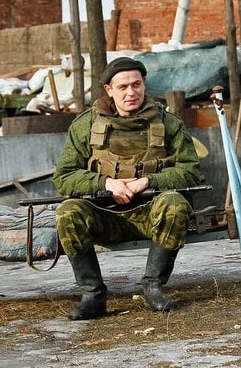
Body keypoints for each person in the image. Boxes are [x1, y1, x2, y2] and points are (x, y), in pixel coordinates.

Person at [52, 57, 203, 320]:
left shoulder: (169, 124)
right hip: (103, 214)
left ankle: (153, 286)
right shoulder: (86, 125)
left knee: (175, 204)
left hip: (151, 213)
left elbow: (190, 171)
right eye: (122, 87)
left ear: (144, 84)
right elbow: (64, 176)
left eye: (136, 84)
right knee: (68, 211)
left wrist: (147, 181)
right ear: (109, 90)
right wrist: (105, 183)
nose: (130, 92)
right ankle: (93, 295)